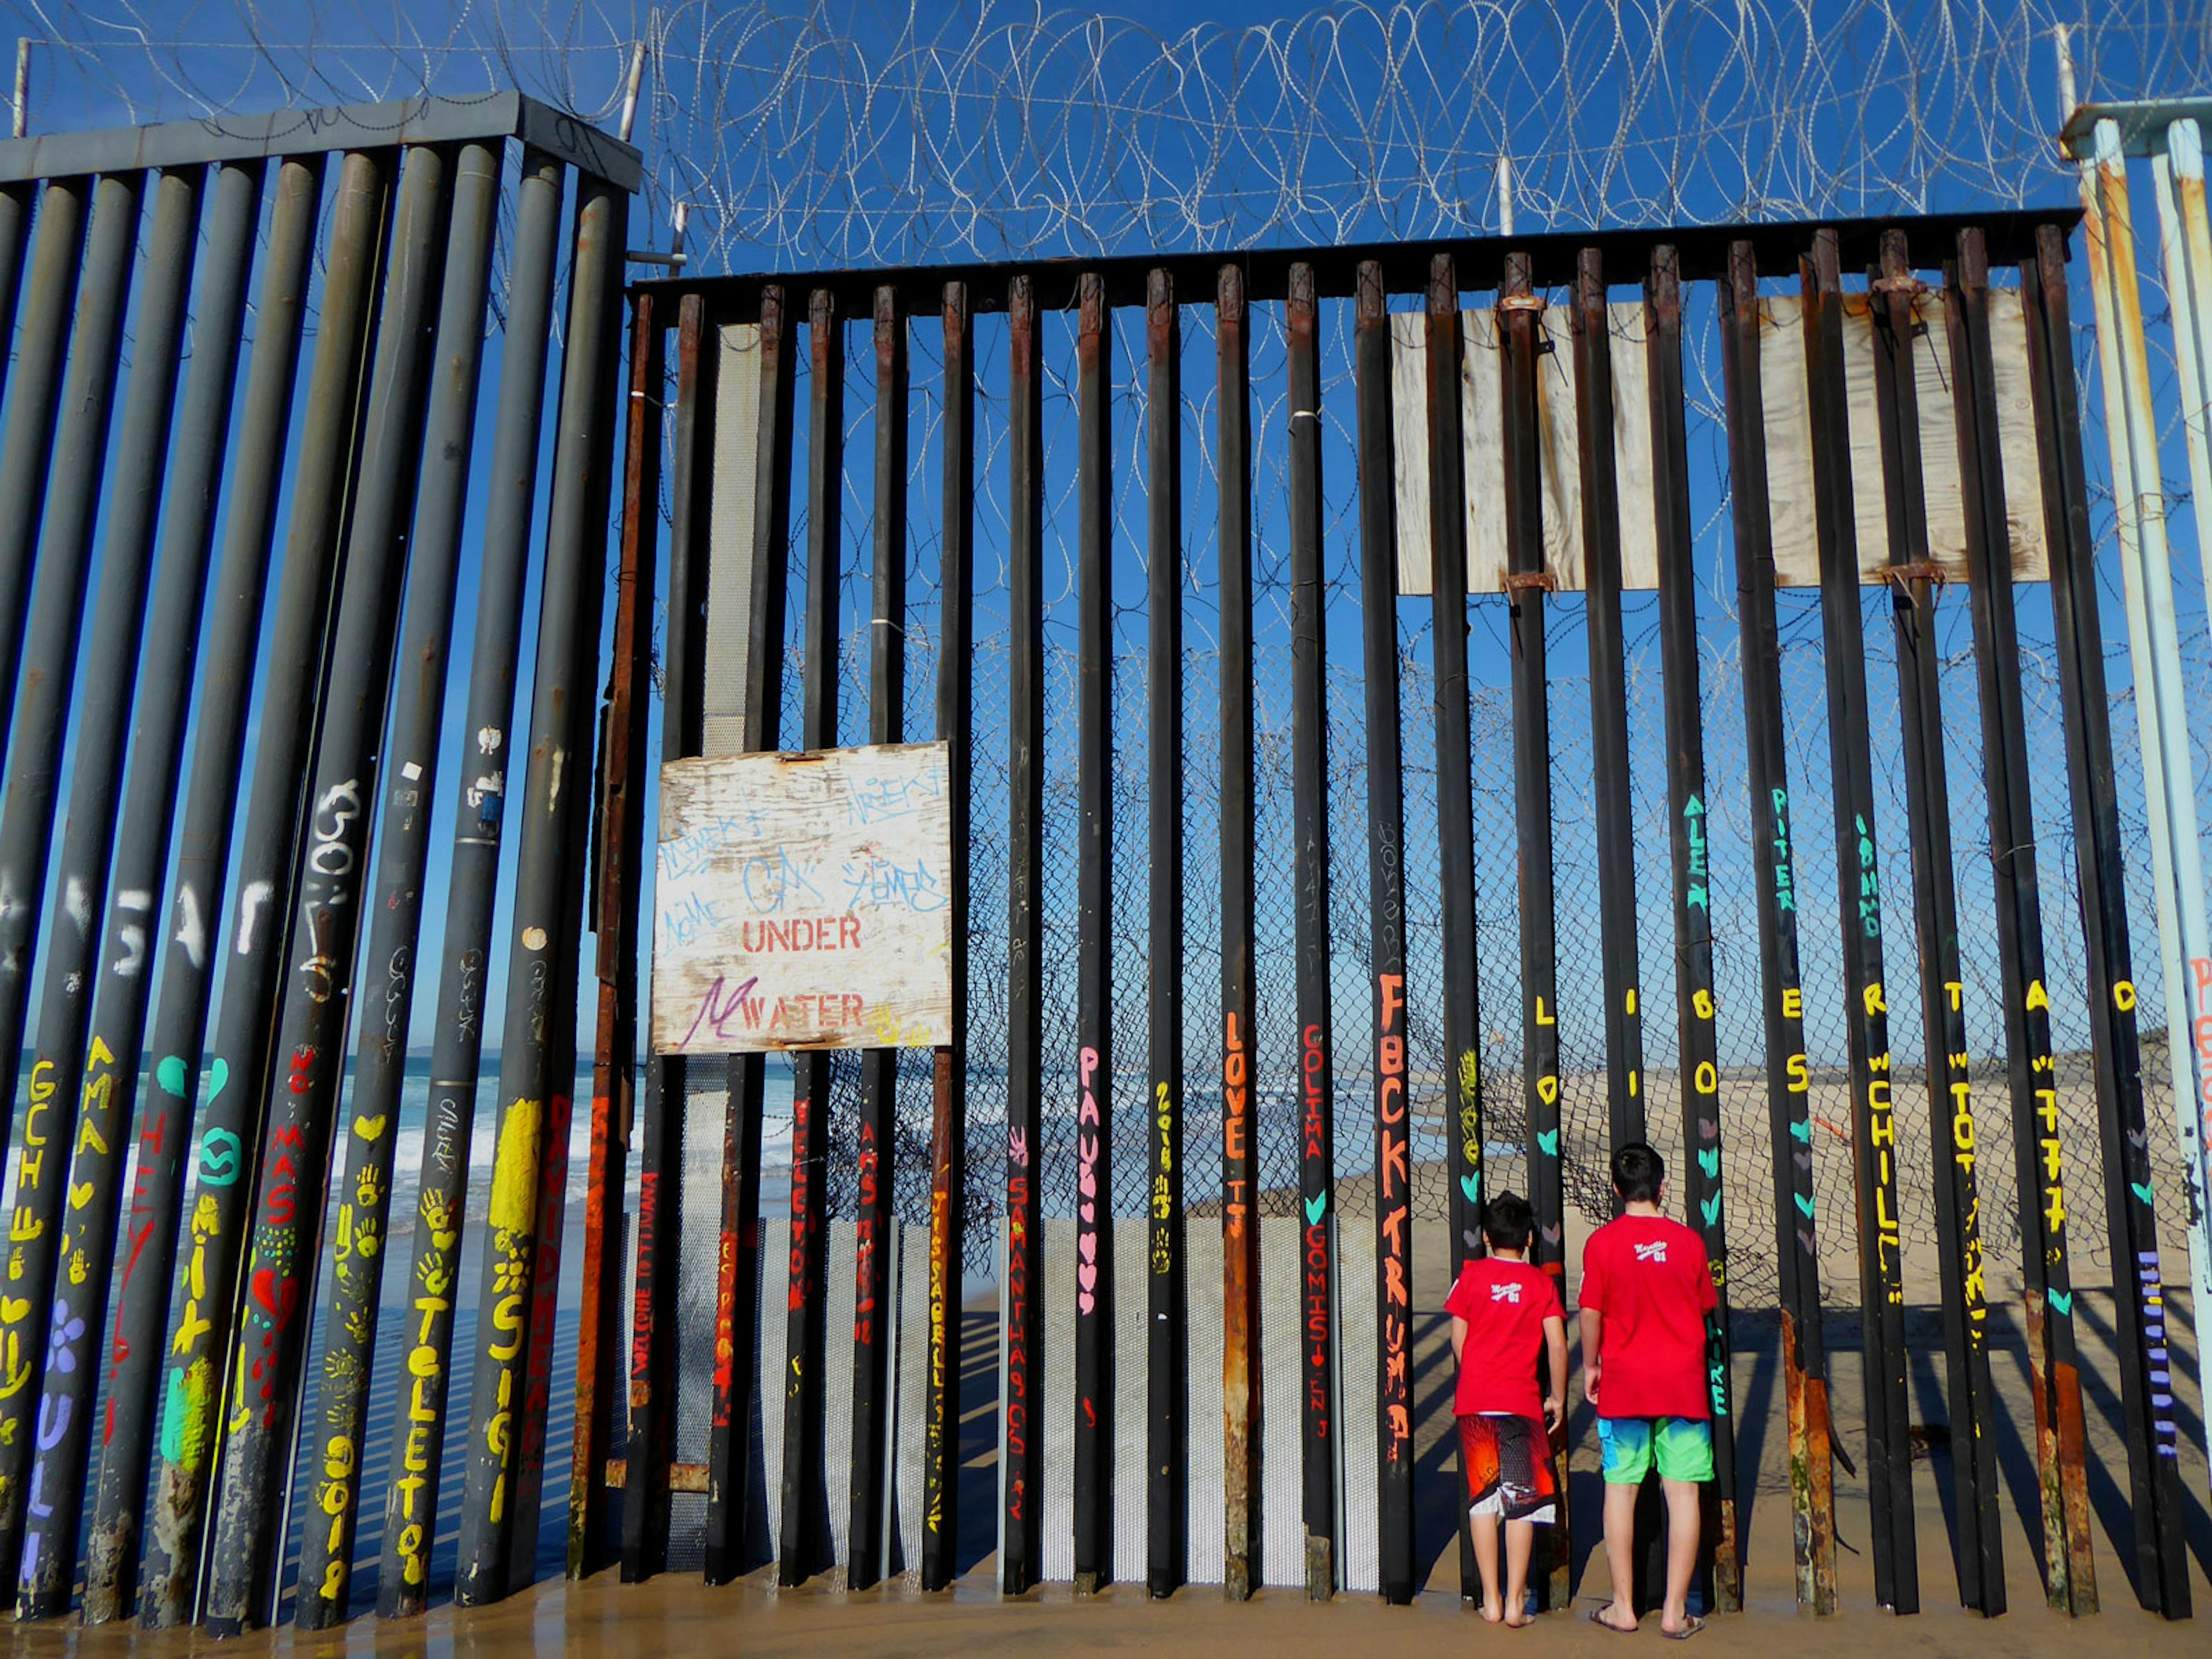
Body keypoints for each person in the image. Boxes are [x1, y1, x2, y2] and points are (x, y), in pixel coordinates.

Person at [1580, 1142, 1718, 1639]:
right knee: (1682, 1494)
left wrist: (1590, 1363)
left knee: (1621, 1489)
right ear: (1661, 1187)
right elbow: (1704, 1304)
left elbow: (1591, 1312)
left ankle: (1623, 1606)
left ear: (1617, 1189)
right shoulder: (1689, 1243)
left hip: (1626, 1381)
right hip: (1681, 1382)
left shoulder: (1602, 1244)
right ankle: (1675, 1611)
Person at [1445, 1191, 1567, 1628]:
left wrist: (1476, 1371)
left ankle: (1491, 1601)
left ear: (1487, 1238)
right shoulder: (1540, 1284)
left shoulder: (1471, 1278)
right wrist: (1557, 1395)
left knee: (1483, 1501)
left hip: (1477, 1402)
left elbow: (1458, 1337)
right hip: (1521, 1403)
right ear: (1530, 1239)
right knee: (1522, 1502)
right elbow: (1556, 1343)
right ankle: (1517, 1604)